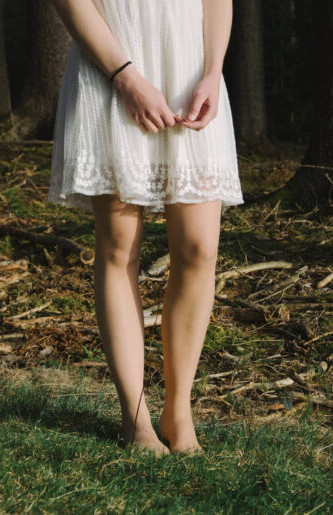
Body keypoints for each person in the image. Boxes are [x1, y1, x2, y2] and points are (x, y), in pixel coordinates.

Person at [48, 0, 244, 455]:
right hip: (114, 66)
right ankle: (134, 419)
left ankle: (178, 413)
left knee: (199, 249)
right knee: (119, 248)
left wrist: (213, 69)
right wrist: (126, 78)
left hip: (190, 69)